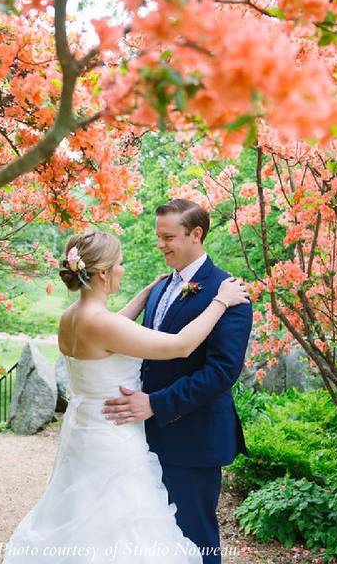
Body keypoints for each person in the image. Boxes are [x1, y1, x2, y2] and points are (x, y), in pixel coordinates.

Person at [1, 230, 250, 564]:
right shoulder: (104, 325)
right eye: (119, 264)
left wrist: (146, 294)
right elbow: (182, 345)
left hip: (84, 431)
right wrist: (221, 300)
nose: (122, 269)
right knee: (122, 532)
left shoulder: (70, 318)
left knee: (84, 522)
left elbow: (113, 328)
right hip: (113, 438)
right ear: (103, 273)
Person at [101, 199, 254, 564]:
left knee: (195, 538)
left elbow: (220, 373)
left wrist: (155, 403)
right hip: (144, 437)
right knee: (156, 540)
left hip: (193, 439)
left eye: (168, 236)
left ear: (196, 235)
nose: (160, 244)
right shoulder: (158, 288)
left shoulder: (230, 293)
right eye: (158, 236)